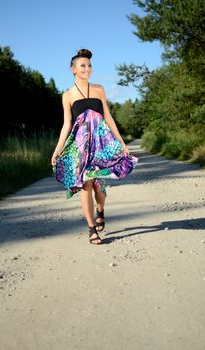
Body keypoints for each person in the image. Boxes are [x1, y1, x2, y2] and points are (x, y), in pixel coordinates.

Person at [51, 48, 137, 245]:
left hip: (101, 145)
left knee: (99, 187)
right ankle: (91, 229)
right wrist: (58, 149)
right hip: (80, 148)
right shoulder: (68, 95)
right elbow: (67, 124)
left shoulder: (98, 89)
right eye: (83, 66)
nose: (87, 69)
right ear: (73, 69)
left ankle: (101, 210)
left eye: (89, 65)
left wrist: (122, 143)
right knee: (86, 185)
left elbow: (108, 116)